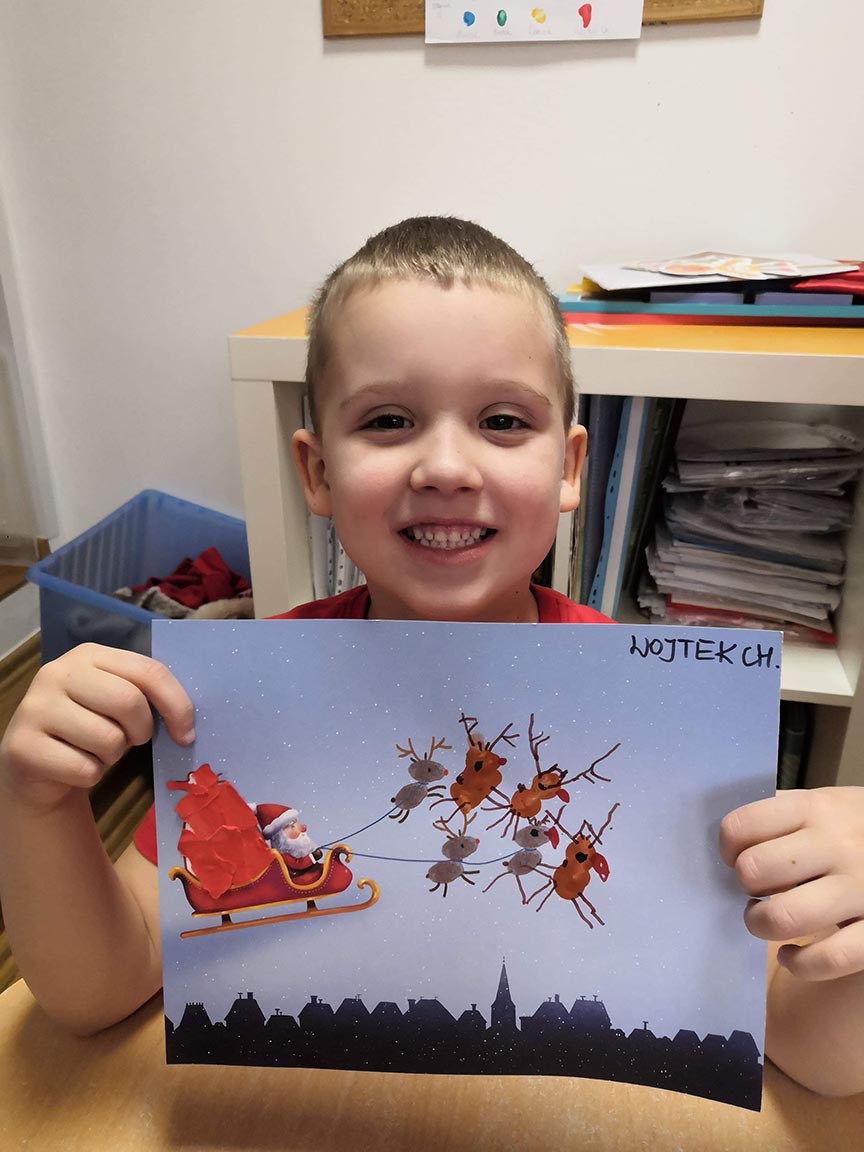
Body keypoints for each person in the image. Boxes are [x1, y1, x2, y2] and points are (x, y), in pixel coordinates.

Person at [0, 217, 862, 1096]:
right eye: (388, 420)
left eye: (502, 421)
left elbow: (809, 1054)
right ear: (317, 472)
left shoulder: (652, 713)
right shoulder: (243, 698)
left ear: (570, 468)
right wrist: (39, 804)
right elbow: (99, 994)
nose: (446, 466)